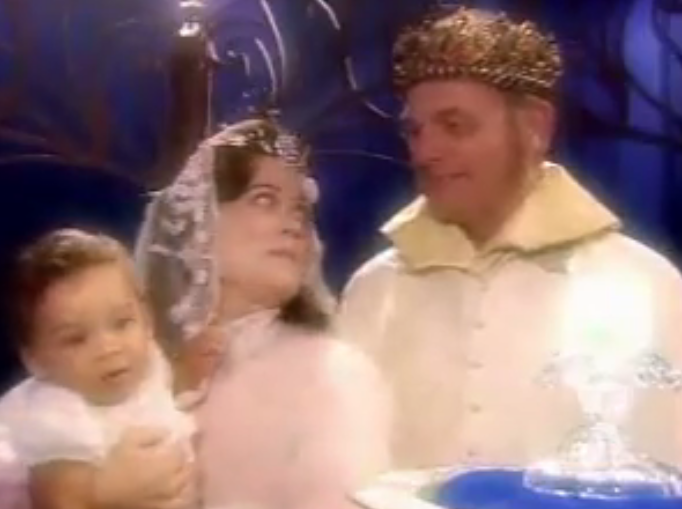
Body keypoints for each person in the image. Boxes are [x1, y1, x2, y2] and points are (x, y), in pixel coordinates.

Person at [338, 6, 682, 470]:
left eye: (454, 126)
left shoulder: (644, 284)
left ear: (535, 127)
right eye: (415, 131)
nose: (425, 151)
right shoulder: (373, 291)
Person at [135, 117, 391, 509]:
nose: (293, 225)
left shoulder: (332, 373)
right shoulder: (142, 368)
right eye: (264, 200)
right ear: (204, 217)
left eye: (300, 210)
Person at [0, 229, 196, 509]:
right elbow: (56, 501)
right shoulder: (55, 411)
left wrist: (195, 366)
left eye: (122, 323)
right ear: (35, 361)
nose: (109, 348)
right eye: (76, 339)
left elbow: (170, 388)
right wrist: (105, 491)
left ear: (148, 321)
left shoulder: (148, 362)